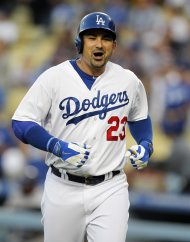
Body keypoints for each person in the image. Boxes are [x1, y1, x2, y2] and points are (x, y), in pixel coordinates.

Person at [12, 12, 153, 242]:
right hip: (63, 185)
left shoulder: (128, 80)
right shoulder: (54, 78)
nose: (99, 44)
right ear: (80, 42)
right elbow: (21, 122)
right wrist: (56, 146)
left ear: (114, 45)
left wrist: (146, 144)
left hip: (111, 187)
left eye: (106, 38)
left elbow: (139, 117)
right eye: (92, 37)